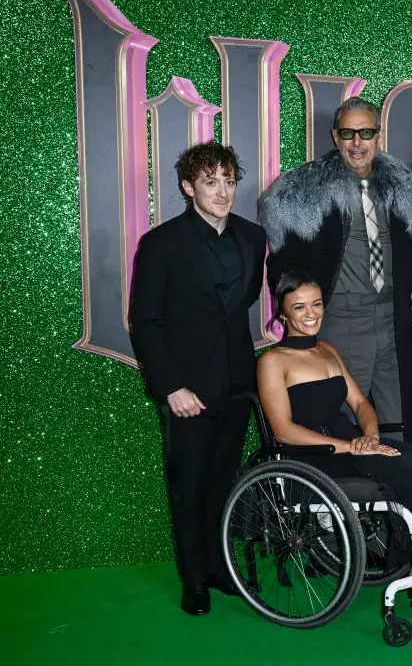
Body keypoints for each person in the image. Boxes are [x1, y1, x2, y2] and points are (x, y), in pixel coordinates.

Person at [256, 269, 412, 638]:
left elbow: (362, 403)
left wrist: (369, 435)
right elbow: (284, 430)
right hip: (316, 458)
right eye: (298, 307)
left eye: (316, 304)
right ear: (282, 313)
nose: (311, 313)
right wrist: (351, 445)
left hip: (356, 445)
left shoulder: (327, 350)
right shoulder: (273, 361)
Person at [129, 142, 267, 616]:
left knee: (224, 481)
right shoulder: (161, 243)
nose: (223, 191)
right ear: (189, 187)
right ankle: (194, 579)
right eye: (211, 181)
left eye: (229, 181)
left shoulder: (253, 236)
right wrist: (170, 387)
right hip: (186, 389)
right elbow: (145, 322)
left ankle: (217, 566)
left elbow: (241, 307)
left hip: (236, 383)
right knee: (189, 485)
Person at [259, 97, 412, 446]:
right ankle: (342, 499)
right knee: (340, 422)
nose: (357, 143)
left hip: (395, 322)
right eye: (348, 133)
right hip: (338, 320)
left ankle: (397, 500)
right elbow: (282, 266)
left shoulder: (410, 195)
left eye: (366, 133)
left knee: (398, 425)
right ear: (335, 136)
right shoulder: (302, 194)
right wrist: (300, 318)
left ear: (379, 135)